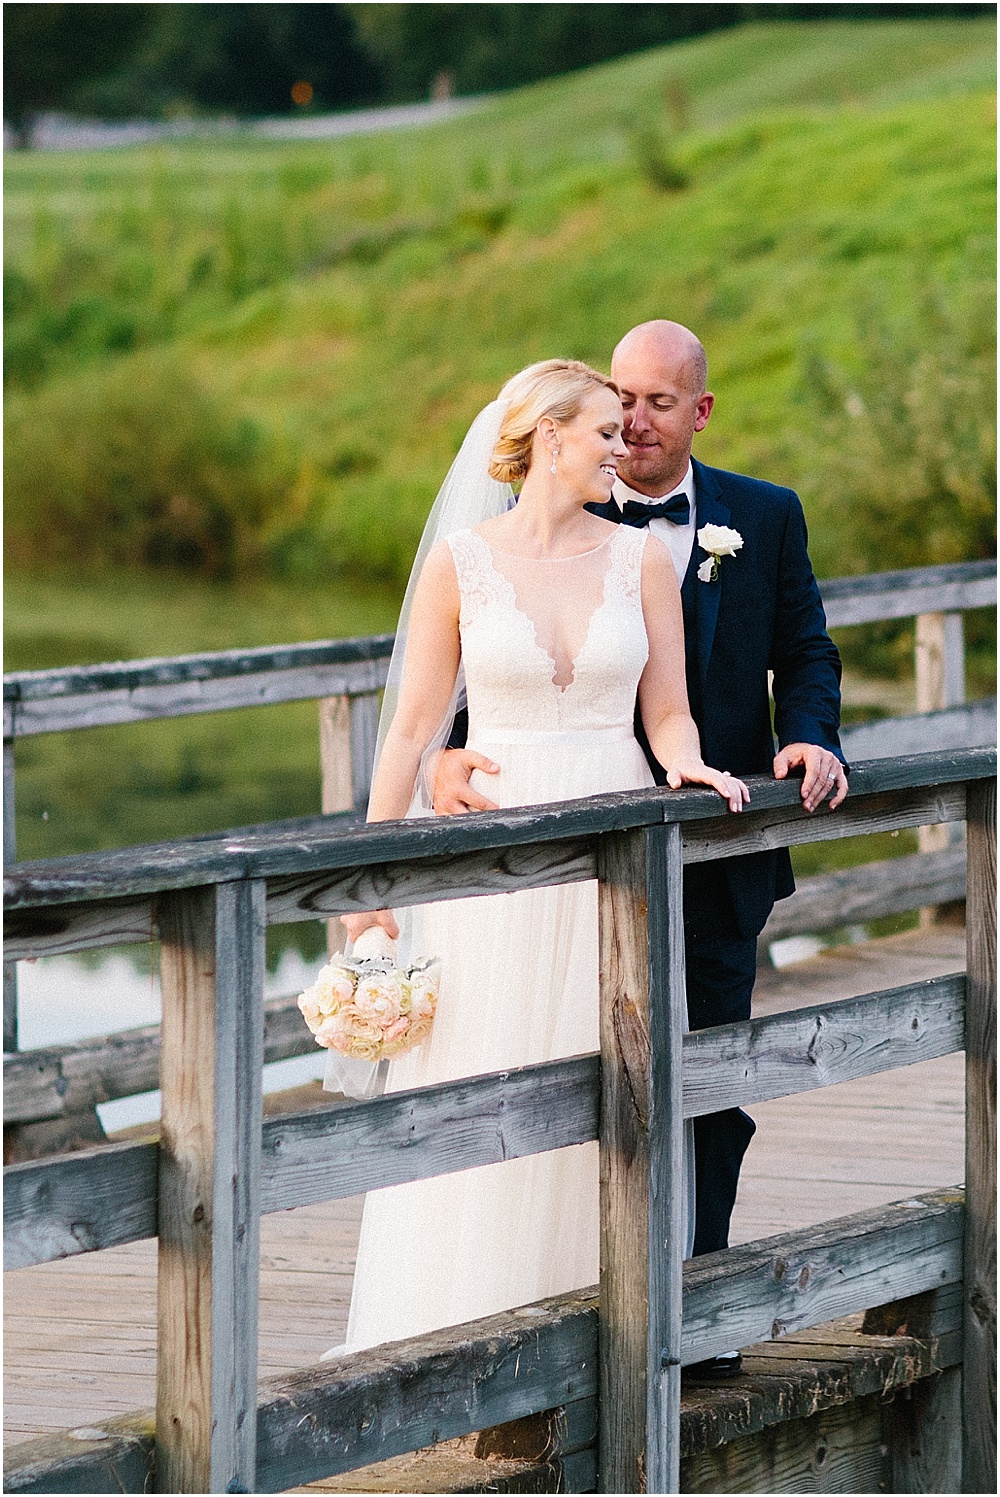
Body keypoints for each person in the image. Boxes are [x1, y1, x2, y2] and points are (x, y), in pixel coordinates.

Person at [433, 322, 848, 1377]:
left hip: (718, 850)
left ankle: (695, 1313)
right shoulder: (568, 502)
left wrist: (810, 735)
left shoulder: (765, 514)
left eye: (660, 402)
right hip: (573, 853)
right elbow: (497, 657)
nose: (635, 421)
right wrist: (444, 758)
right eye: (621, 398)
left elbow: (806, 649)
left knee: (705, 1084)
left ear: (699, 411)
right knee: (564, 1078)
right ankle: (570, 1315)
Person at [331, 359, 747, 1355]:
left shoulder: (642, 560)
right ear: (549, 438)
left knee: (611, 1080)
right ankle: (453, 1335)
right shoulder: (463, 563)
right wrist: (369, 877)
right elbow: (410, 729)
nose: (622, 444)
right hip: (494, 862)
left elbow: (668, 711)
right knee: (484, 1066)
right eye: (603, 430)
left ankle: (604, 1337)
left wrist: (691, 765)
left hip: (613, 848)